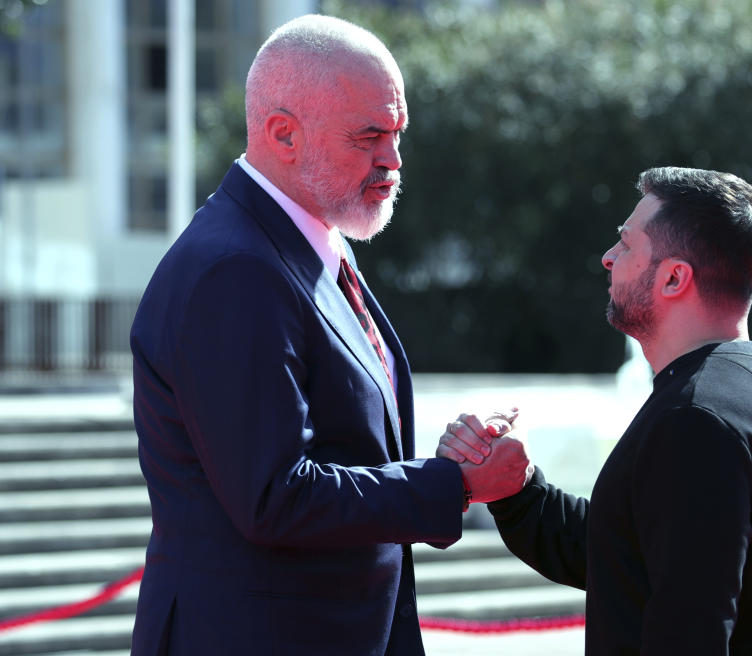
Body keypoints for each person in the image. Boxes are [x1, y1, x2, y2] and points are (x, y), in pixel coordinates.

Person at [129, 15, 529, 655]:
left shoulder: (303, 236)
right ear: (283, 134)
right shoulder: (238, 269)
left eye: (398, 133)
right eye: (370, 135)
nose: (393, 160)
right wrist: (454, 485)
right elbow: (275, 495)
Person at [444, 167, 752, 654]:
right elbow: (624, 554)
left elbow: (689, 635)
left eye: (626, 245)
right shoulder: (748, 381)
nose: (608, 257)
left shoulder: (696, 419)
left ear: (675, 277)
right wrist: (518, 489)